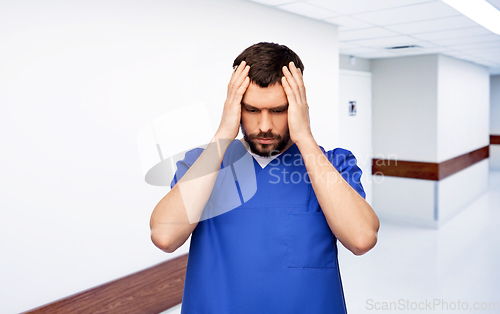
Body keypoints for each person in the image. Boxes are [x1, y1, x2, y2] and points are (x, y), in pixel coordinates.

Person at [150, 42, 380, 313]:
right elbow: (164, 236)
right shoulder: (203, 164)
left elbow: (362, 238)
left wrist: (304, 136)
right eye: (251, 110)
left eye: (279, 110)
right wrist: (224, 133)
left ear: (299, 106)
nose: (265, 126)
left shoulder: (333, 163)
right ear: (235, 107)